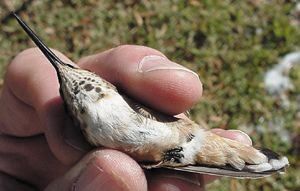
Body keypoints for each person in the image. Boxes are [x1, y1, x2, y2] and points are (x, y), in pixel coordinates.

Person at [0, 45, 252, 191]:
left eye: (84, 74)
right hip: (176, 151)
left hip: (186, 143)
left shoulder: (115, 100)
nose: (75, 80)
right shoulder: (92, 130)